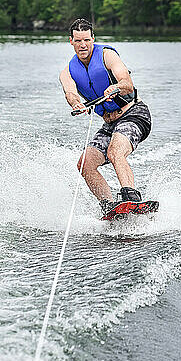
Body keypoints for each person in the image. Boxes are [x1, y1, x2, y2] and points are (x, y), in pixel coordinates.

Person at [59, 18, 152, 215]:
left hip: (134, 114)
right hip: (109, 124)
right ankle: (109, 206)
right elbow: (70, 92)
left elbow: (127, 82)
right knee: (85, 164)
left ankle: (131, 197)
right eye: (78, 41)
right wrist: (76, 103)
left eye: (86, 40)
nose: (83, 45)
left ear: (93, 38)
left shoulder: (107, 56)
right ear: (71, 41)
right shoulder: (67, 71)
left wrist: (116, 87)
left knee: (115, 151)